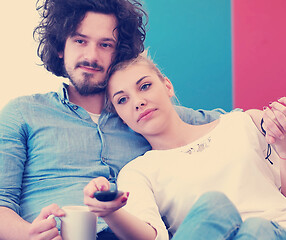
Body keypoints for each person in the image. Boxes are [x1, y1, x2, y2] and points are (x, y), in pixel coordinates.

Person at [0, 1, 227, 239]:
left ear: (118, 54)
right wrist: (27, 234)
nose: (91, 56)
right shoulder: (22, 113)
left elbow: (233, 123)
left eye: (105, 44)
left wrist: (267, 120)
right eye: (80, 41)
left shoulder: (142, 112)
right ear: (60, 47)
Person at [83, 54, 286, 240]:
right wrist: (110, 212)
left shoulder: (241, 124)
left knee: (255, 227)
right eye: (122, 100)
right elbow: (152, 236)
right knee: (213, 206)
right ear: (121, 117)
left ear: (167, 86)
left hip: (282, 233)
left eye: (144, 86)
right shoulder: (138, 172)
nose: (138, 102)